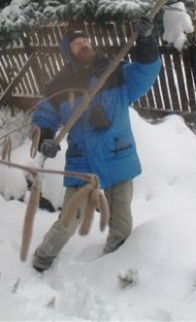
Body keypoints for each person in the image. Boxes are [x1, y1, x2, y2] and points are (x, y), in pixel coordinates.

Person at [31, 17, 162, 272]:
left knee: (121, 224)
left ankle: (114, 270)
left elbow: (145, 73)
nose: (83, 45)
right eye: (77, 44)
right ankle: (42, 258)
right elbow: (43, 116)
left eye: (85, 41)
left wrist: (146, 42)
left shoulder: (114, 71)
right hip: (82, 159)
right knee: (69, 219)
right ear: (68, 53)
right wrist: (45, 138)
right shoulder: (60, 84)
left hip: (118, 155)